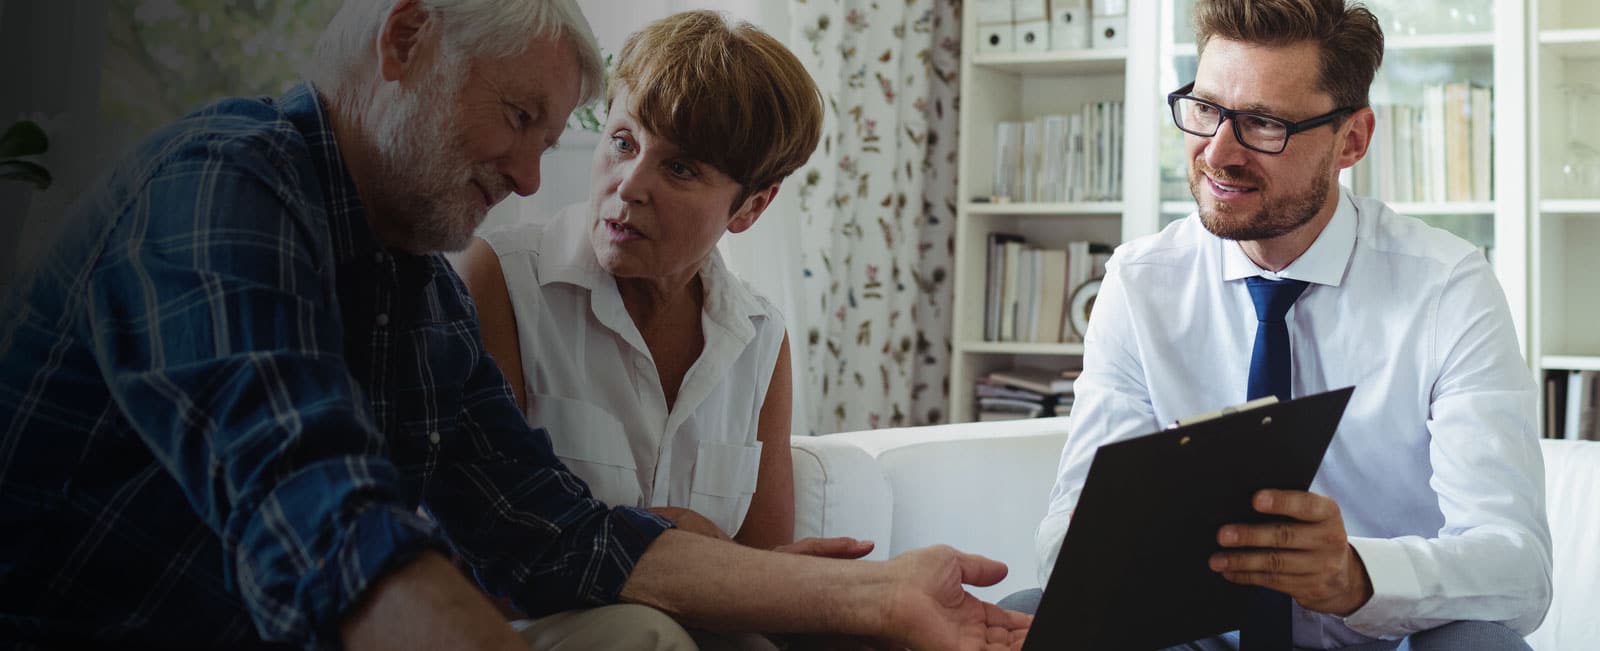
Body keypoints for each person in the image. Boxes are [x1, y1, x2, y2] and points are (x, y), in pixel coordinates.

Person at [0, 1, 1031, 649]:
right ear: (407, 39)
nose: (539, 177)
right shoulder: (220, 186)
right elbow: (317, 510)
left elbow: (553, 529)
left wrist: (881, 596)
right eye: (521, 118)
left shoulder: (413, 285)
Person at [1008, 1, 1552, 649]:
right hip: (1192, 637)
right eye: (1205, 109)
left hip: (1387, 639)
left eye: (1263, 124)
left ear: (1352, 140)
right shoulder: (1139, 283)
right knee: (1029, 614)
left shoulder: (1448, 289)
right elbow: (1066, 536)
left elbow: (1518, 569)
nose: (1218, 153)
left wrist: (1355, 575)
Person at [456, 10, 834, 558]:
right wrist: (678, 534)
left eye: (680, 168)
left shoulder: (761, 339)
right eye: (623, 142)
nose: (629, 185)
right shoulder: (500, 280)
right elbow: (485, 550)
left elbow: (762, 570)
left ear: (751, 207)